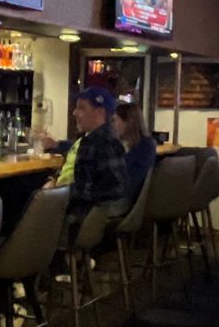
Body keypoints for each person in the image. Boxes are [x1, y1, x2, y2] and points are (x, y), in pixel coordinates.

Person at [54, 86, 128, 227]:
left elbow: (83, 193)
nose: (74, 113)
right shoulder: (110, 139)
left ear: (100, 112)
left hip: (83, 219)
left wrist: (54, 194)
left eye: (81, 108)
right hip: (106, 218)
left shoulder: (93, 143)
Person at [112, 100, 156, 200]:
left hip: (124, 200)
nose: (113, 125)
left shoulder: (145, 147)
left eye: (115, 120)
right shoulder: (119, 145)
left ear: (129, 122)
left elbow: (131, 182)